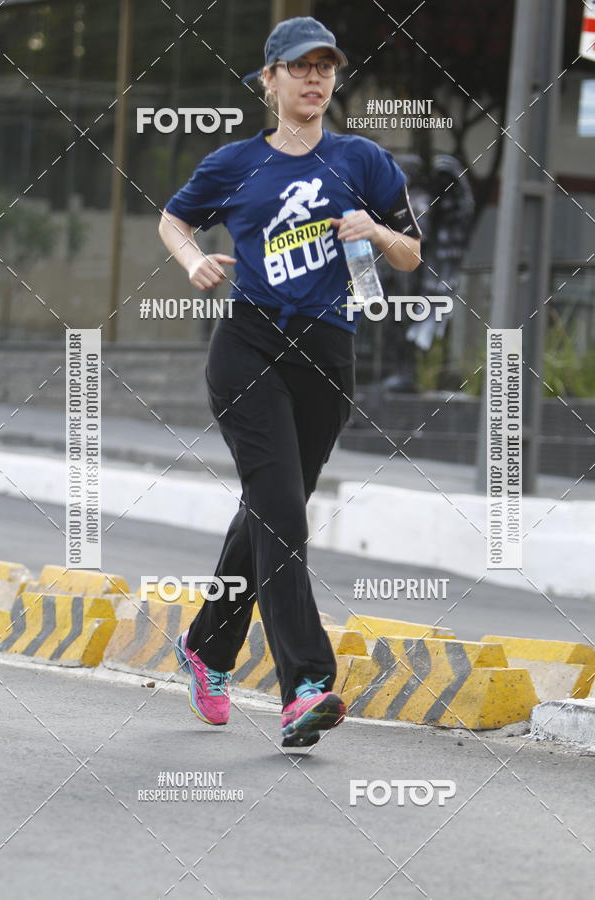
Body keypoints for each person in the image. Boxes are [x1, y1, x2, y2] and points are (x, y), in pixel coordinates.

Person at [158, 16, 422, 748]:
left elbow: (410, 253)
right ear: (269, 80)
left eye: (325, 67)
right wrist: (193, 261)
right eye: (299, 67)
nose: (314, 79)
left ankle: (206, 648)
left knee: (270, 510)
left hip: (328, 356)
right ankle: (306, 685)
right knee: (282, 516)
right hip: (248, 346)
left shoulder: (363, 159)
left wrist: (377, 232)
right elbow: (174, 220)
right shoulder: (235, 163)